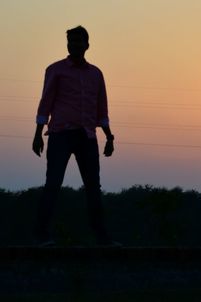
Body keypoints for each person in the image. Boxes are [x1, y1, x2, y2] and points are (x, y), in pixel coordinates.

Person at [32, 26, 118, 247]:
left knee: (93, 187)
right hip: (60, 134)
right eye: (71, 41)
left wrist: (109, 136)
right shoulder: (56, 70)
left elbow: (102, 108)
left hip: (87, 136)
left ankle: (102, 238)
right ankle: (42, 235)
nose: (74, 44)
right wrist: (38, 133)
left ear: (87, 45)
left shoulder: (96, 74)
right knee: (53, 184)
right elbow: (46, 101)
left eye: (78, 41)